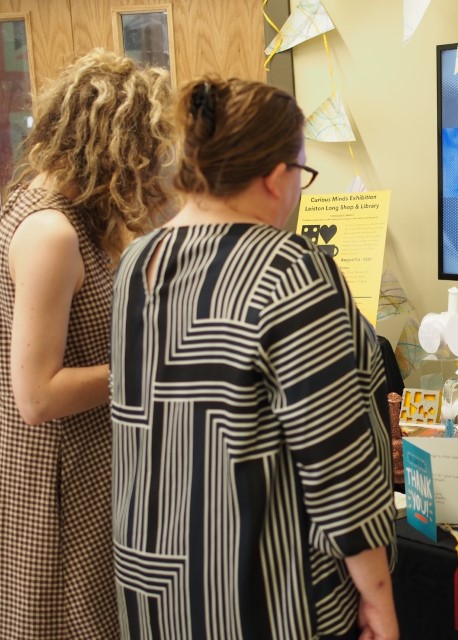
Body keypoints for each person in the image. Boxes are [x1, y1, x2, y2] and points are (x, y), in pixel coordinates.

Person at [110, 77, 398, 639]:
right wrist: (378, 596)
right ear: (274, 177)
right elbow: (335, 456)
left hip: (154, 582)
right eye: (302, 174)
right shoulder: (288, 267)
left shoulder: (137, 263)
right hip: (264, 590)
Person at [0, 49, 173, 637]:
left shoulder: (73, 213)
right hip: (54, 488)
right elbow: (38, 396)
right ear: (117, 148)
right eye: (146, 156)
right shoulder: (50, 232)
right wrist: (148, 366)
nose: (151, 171)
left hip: (85, 474)